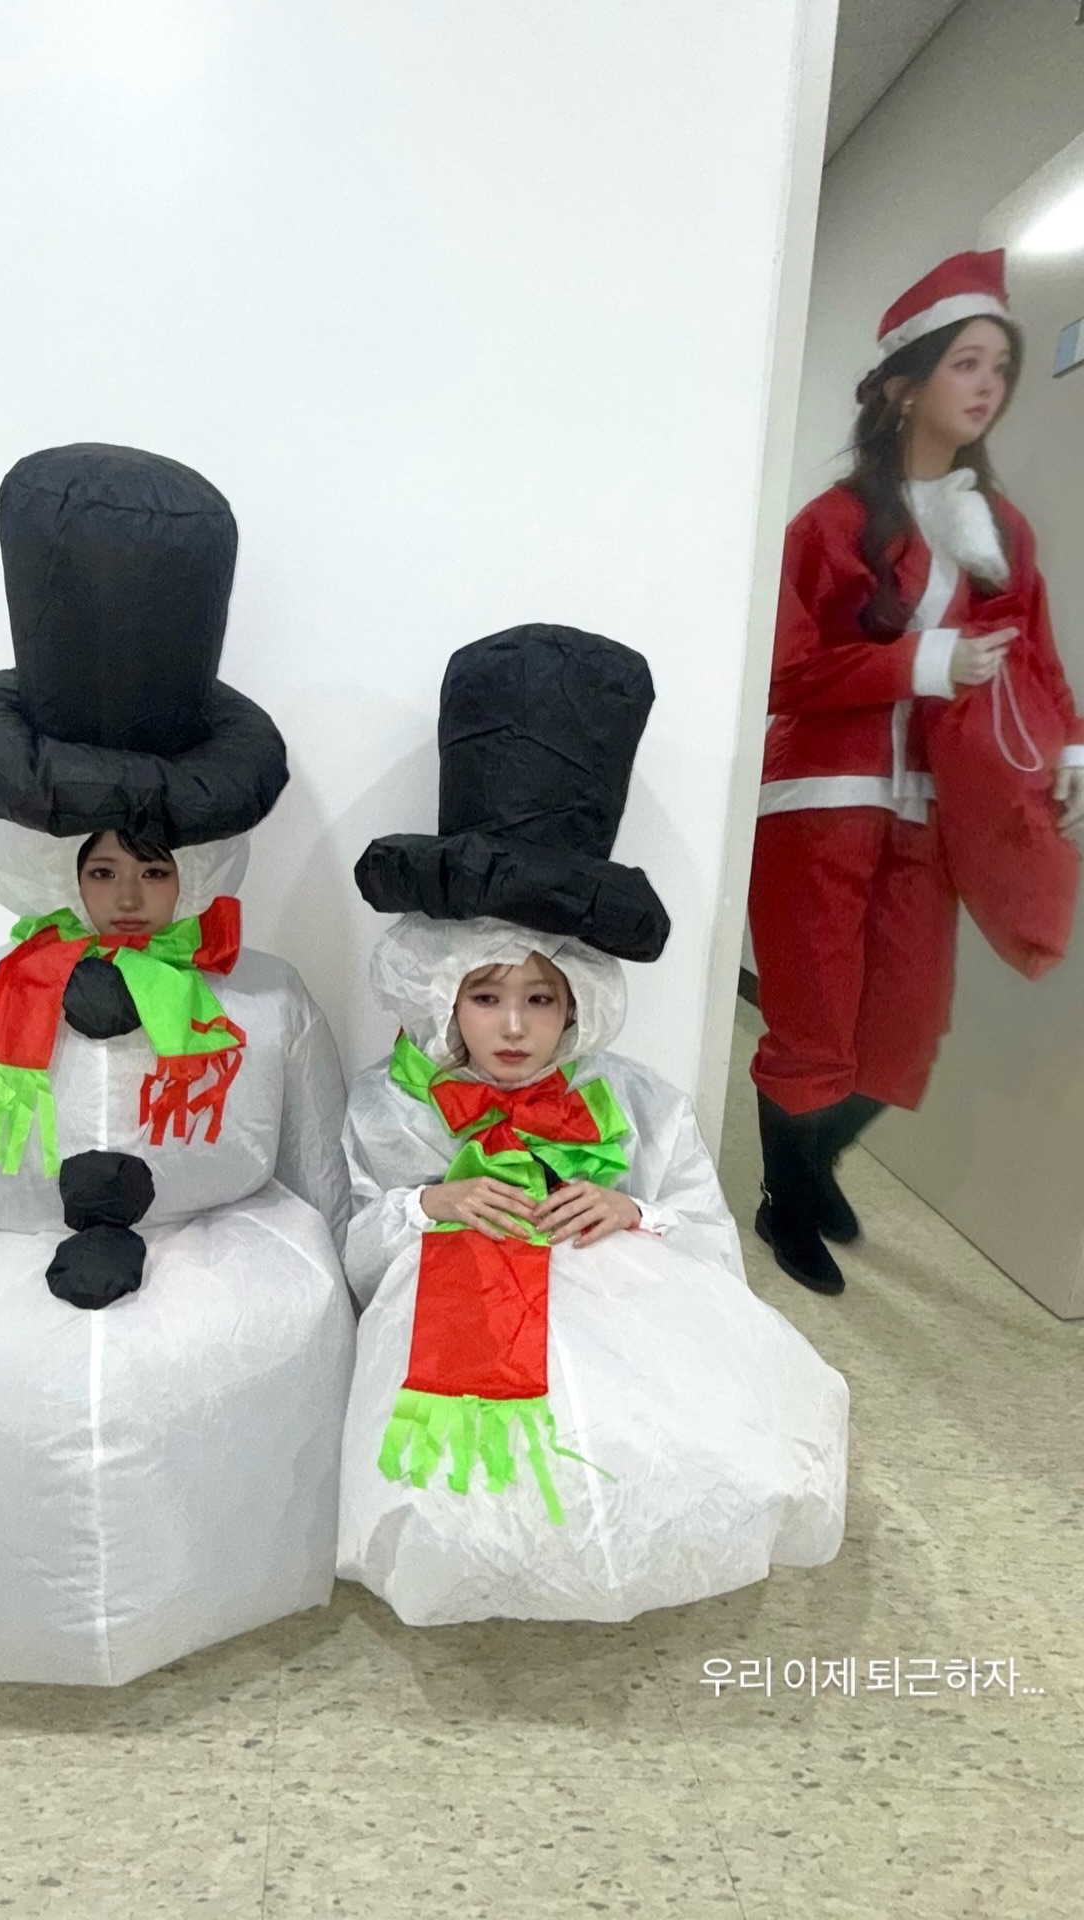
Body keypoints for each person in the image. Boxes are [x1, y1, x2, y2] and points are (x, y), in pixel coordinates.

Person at [0, 444, 355, 1686]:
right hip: (0, 1259)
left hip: (215, 1256)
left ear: (197, 867)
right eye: (99, 868)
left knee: (229, 1366)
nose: (129, 896)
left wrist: (362, 1348)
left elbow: (322, 1178)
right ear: (48, 865)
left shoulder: (264, 1001)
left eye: (155, 868)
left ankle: (213, 1588)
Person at [337, 624, 848, 1626]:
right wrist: (430, 1203)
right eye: (486, 997)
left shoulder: (637, 1102)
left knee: (653, 1441)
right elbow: (350, 1250)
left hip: (618, 1304)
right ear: (440, 994)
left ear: (580, 1004)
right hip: (448, 1306)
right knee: (460, 1489)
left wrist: (633, 1213)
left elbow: (709, 1243)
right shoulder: (392, 1102)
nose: (514, 1028)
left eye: (541, 999)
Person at [750, 250, 1084, 1296]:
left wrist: (1071, 745)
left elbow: (1036, 655)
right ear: (904, 383)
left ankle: (815, 1164)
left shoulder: (1000, 532)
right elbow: (785, 672)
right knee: (813, 1021)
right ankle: (786, 1197)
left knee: (902, 1033)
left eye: (1001, 366)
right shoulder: (830, 525)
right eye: (965, 362)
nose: (988, 385)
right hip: (821, 803)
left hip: (933, 810)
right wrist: (924, 663)